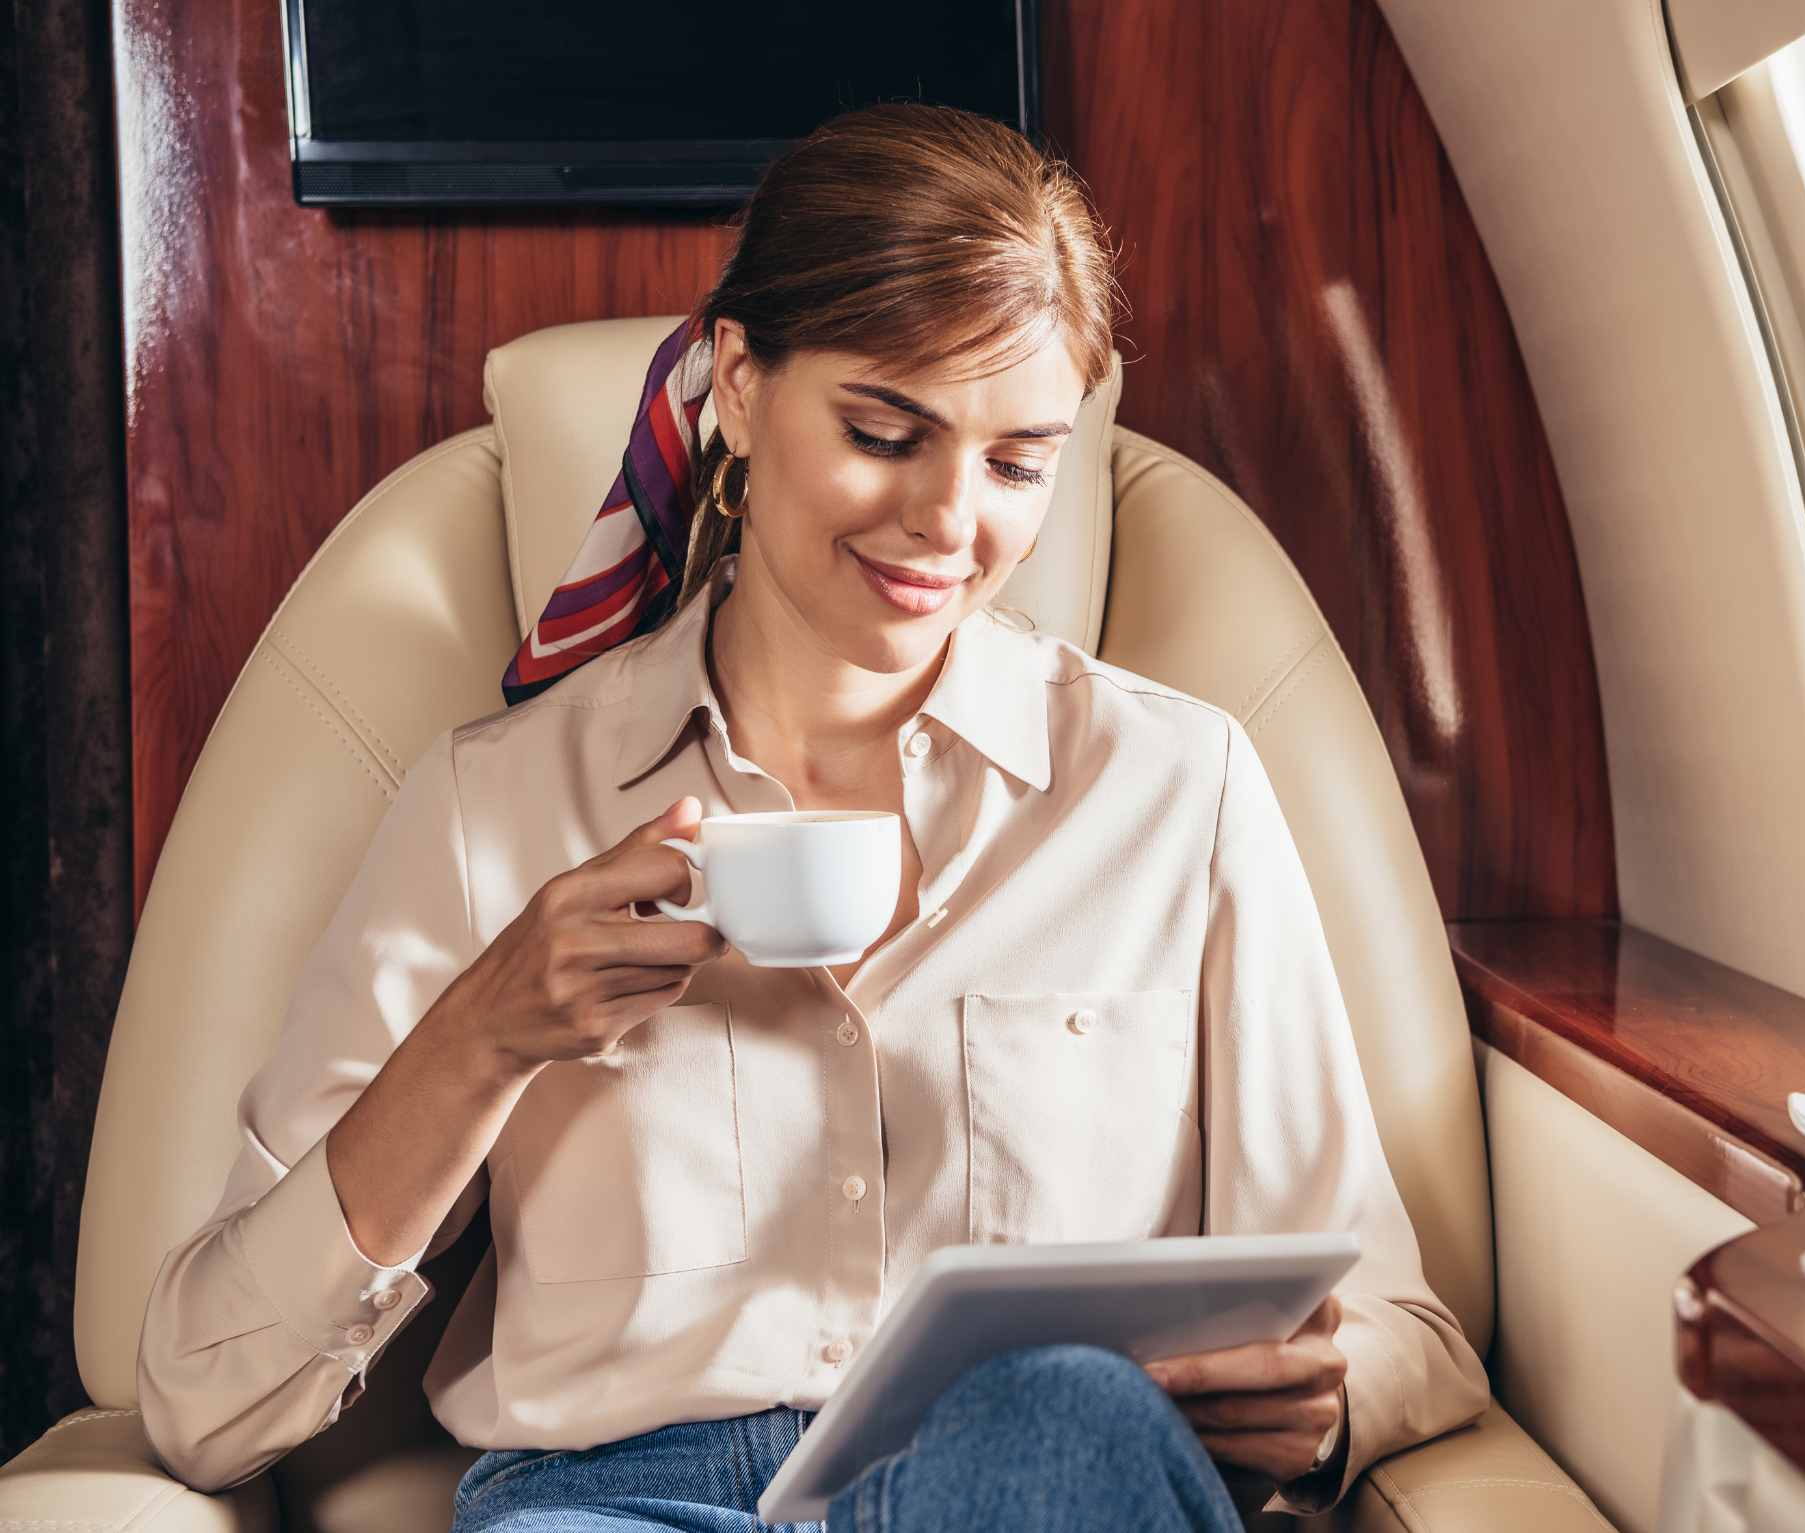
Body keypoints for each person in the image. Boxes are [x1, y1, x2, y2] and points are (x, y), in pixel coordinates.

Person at [134, 102, 1488, 1531]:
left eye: (1018, 462)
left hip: (1023, 1486)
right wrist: (486, 1030)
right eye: (884, 431)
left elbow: (1401, 1323)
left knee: (1068, 1414)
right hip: (618, 1499)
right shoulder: (499, 805)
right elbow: (201, 1397)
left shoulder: (1178, 790)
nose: (948, 521)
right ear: (737, 378)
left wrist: (1325, 1398)